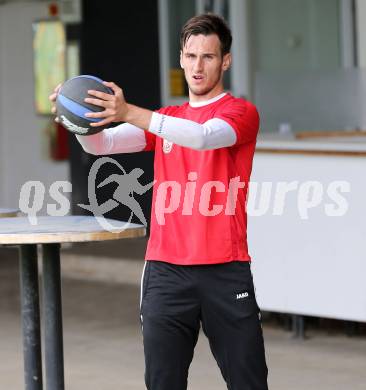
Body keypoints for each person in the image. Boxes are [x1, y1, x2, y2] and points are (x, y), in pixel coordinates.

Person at [50, 13, 268, 390]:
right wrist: (80, 122)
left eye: (209, 57)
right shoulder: (166, 119)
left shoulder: (240, 113)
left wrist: (129, 111)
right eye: (191, 56)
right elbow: (102, 146)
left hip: (225, 270)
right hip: (165, 273)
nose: (198, 66)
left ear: (226, 61)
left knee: (248, 382)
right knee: (162, 382)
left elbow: (202, 137)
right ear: (181, 59)